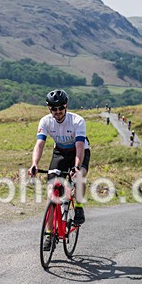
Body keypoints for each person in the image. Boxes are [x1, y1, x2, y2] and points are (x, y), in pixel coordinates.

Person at [28, 89, 90, 244]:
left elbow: (80, 146)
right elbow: (40, 144)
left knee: (80, 175)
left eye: (61, 108)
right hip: (60, 152)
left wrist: (76, 167)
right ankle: (49, 234)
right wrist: (34, 164)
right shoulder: (45, 121)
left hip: (78, 151)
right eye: (54, 109)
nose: (58, 112)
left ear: (66, 106)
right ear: (49, 109)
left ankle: (80, 206)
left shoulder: (77, 121)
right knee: (52, 194)